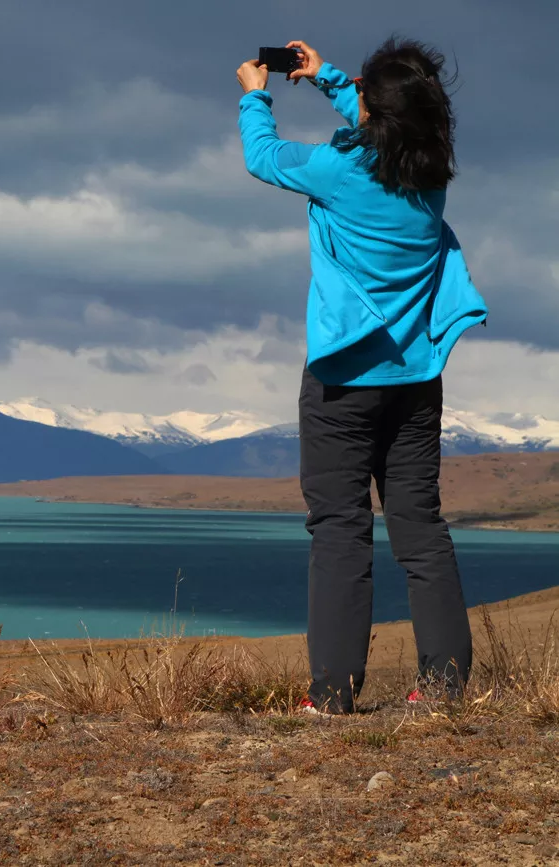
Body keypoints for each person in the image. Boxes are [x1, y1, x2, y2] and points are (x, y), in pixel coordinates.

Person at [235, 38, 488, 714]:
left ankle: (333, 694)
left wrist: (255, 96)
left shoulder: (342, 170)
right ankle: (442, 687)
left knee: (341, 529)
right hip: (415, 379)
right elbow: (386, 126)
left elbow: (263, 157)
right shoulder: (430, 174)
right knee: (419, 525)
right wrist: (329, 80)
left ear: (376, 111)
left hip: (342, 382)